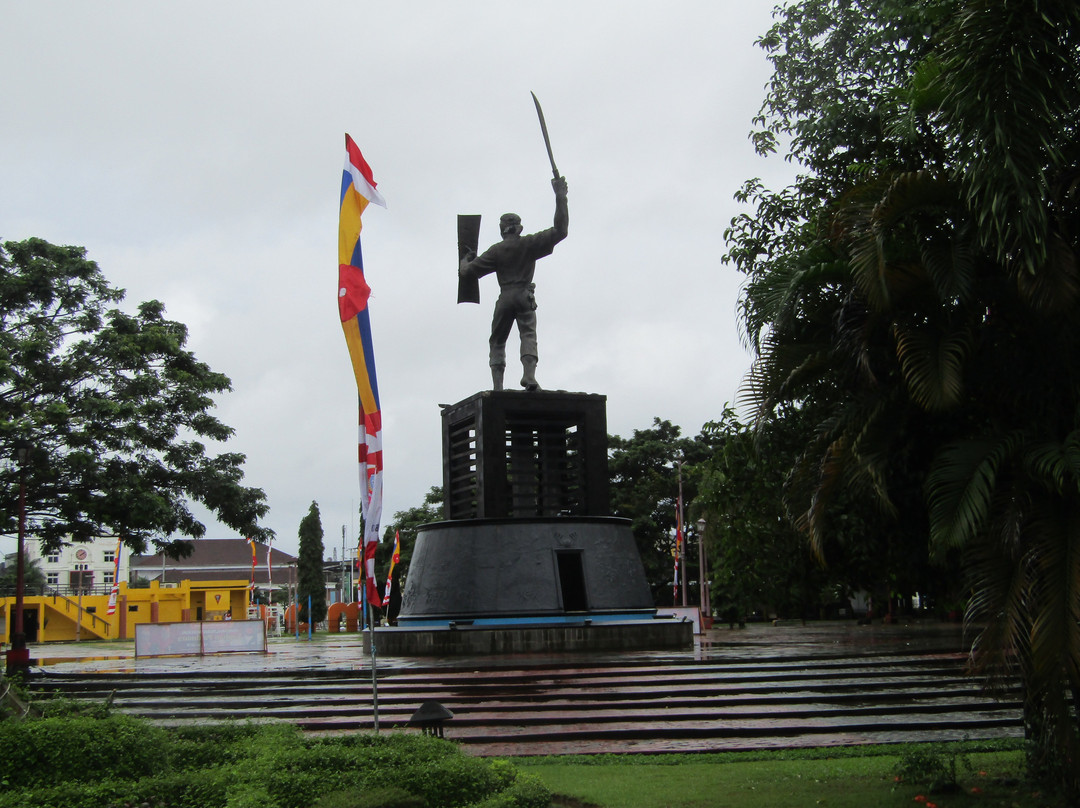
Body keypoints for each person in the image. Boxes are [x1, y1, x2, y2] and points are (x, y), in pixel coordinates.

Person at [459, 176, 568, 391]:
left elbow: (467, 273)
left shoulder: (496, 251)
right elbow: (560, 230)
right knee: (528, 333)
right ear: (519, 228)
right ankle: (529, 375)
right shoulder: (529, 244)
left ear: (502, 229)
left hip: (505, 296)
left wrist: (464, 260)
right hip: (524, 295)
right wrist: (561, 198)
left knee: (497, 340)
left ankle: (497, 386)